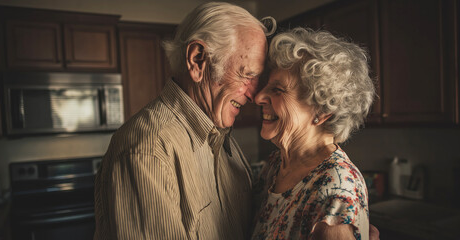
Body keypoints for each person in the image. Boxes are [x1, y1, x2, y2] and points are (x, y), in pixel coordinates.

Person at [94, 2, 269, 239]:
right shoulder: (148, 151)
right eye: (247, 75)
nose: (254, 95)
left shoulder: (222, 139)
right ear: (198, 61)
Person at [251, 27, 376, 239]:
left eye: (278, 90)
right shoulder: (275, 165)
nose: (258, 97)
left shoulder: (337, 189)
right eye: (267, 86)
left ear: (322, 111)